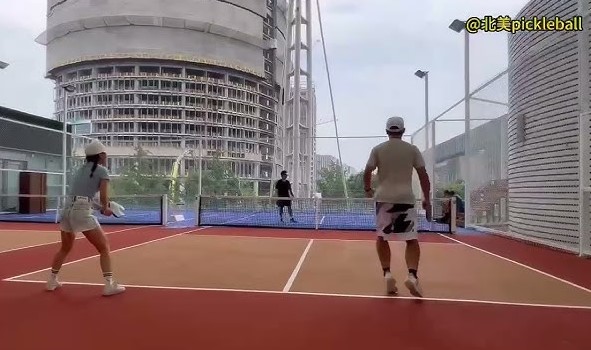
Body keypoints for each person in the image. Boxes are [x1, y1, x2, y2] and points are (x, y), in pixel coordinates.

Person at [46, 139, 126, 296]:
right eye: (105, 154)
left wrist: (102, 207)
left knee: (65, 248)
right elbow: (102, 197)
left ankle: (51, 280)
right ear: (101, 155)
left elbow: (84, 196)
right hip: (82, 211)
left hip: (67, 211)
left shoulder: (80, 170)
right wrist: (106, 208)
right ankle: (109, 284)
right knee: (104, 247)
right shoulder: (102, 171)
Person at [363, 116, 431, 297]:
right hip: (406, 199)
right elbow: (423, 175)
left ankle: (387, 273)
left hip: (383, 199)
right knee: (411, 239)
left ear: (387, 131)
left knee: (382, 238)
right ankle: (412, 275)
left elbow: (368, 170)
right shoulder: (412, 150)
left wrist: (368, 189)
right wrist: (427, 198)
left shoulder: (378, 149)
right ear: (402, 131)